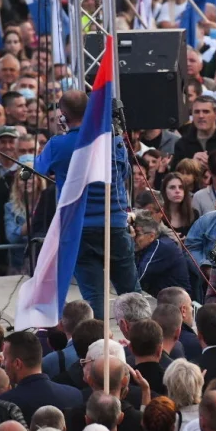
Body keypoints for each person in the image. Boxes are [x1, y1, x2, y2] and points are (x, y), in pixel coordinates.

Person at [38, 90, 137, 316]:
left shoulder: (57, 145)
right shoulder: (112, 140)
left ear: (63, 116)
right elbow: (123, 173)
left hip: (79, 229)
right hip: (114, 225)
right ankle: (144, 339)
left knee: (94, 297)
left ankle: (98, 344)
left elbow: (40, 169)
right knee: (131, 293)